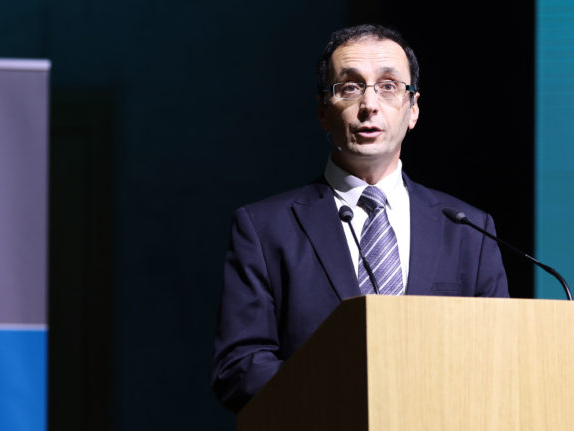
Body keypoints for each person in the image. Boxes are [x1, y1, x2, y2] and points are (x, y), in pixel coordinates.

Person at [210, 24, 510, 413]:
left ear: (413, 108)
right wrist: (348, 390)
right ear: (323, 109)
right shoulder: (264, 229)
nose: (370, 104)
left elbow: (500, 359)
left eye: (388, 86)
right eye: (350, 87)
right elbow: (238, 369)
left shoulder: (469, 230)